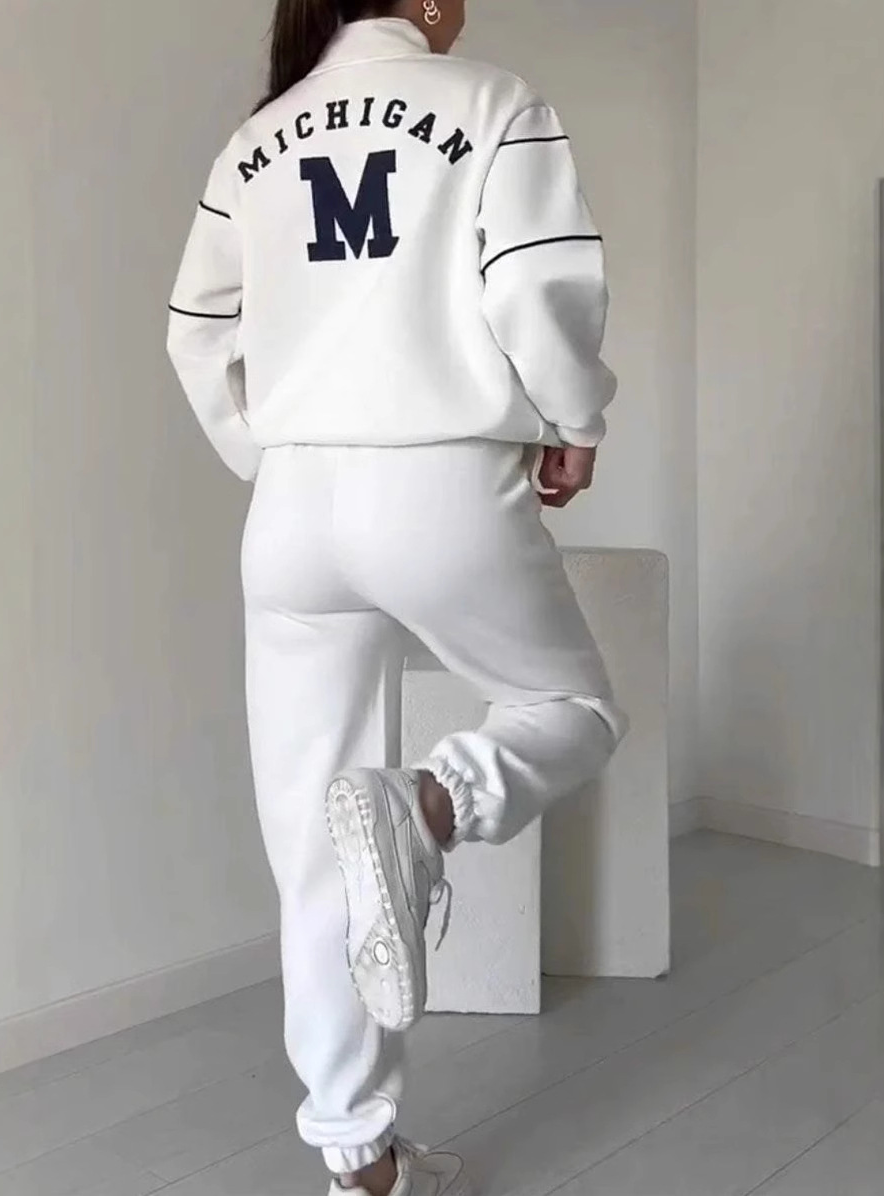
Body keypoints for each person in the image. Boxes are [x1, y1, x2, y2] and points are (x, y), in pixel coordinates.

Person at [167, 1, 628, 1193]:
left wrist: (275, 454)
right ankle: (431, 803)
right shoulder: (493, 99)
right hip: (439, 483)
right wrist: (575, 420)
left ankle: (359, 1159)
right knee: (573, 709)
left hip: (291, 513)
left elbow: (196, 331)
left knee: (312, 851)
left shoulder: (257, 139)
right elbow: (539, 284)